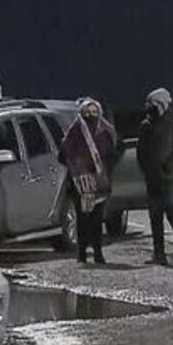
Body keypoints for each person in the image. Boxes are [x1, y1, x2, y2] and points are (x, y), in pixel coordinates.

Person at [137, 87, 173, 265]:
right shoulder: (146, 126)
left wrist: (169, 167)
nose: (149, 108)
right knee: (155, 217)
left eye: (153, 104)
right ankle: (158, 254)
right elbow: (141, 151)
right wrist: (146, 169)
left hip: (170, 180)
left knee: (172, 213)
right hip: (153, 179)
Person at [58, 98, 117, 264]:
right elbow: (63, 154)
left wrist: (102, 169)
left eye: (94, 112)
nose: (91, 115)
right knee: (83, 220)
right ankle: (82, 254)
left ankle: (98, 253)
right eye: (87, 112)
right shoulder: (74, 131)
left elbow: (113, 153)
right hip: (80, 184)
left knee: (97, 220)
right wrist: (79, 167)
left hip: (99, 182)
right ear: (81, 113)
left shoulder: (105, 131)